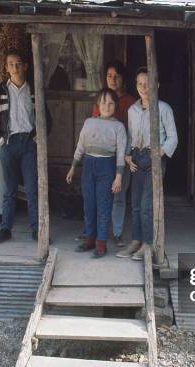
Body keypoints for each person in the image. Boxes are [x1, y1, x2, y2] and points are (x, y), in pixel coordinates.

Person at [0, 49, 52, 244]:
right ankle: (5, 229)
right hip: (9, 143)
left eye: (18, 63)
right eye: (11, 64)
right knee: (9, 190)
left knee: (32, 189)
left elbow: (46, 119)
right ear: (6, 68)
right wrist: (1, 140)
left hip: (29, 144)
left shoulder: (34, 90)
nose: (14, 67)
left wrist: (39, 136)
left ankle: (36, 229)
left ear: (25, 66)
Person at [116, 67, 178, 261]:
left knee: (146, 205)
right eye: (140, 84)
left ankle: (148, 244)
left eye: (147, 83)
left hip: (154, 159)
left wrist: (159, 153)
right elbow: (131, 135)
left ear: (156, 85)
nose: (143, 87)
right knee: (134, 204)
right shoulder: (132, 109)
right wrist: (127, 155)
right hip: (136, 158)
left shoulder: (164, 108)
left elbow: (173, 138)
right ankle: (136, 240)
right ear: (136, 86)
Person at [76, 61, 136, 247]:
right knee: (94, 197)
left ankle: (116, 232)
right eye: (109, 75)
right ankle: (90, 233)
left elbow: (132, 132)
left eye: (116, 76)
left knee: (118, 194)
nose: (113, 79)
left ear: (123, 79)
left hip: (123, 154)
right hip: (102, 159)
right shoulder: (101, 100)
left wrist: (126, 154)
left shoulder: (130, 102)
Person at [66, 88, 127, 258]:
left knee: (104, 205)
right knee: (89, 205)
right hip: (88, 165)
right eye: (103, 102)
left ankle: (101, 243)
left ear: (116, 106)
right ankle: (90, 239)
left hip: (107, 167)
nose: (106, 106)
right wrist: (73, 166)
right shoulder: (89, 122)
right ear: (97, 105)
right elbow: (81, 145)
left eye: (111, 103)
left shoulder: (119, 127)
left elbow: (121, 153)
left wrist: (118, 177)